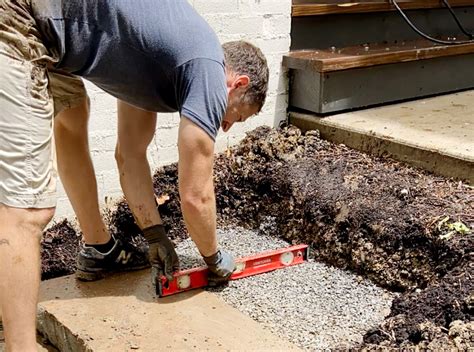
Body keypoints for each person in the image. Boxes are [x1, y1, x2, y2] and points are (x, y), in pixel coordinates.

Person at [0, 0, 269, 350]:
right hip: (21, 21)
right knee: (26, 211)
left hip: (55, 37)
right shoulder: (206, 68)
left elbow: (129, 155)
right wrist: (214, 259)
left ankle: (99, 248)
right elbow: (196, 195)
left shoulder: (159, 59)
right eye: (238, 116)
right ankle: (21, 346)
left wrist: (155, 235)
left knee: (73, 114)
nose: (227, 125)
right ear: (237, 83)